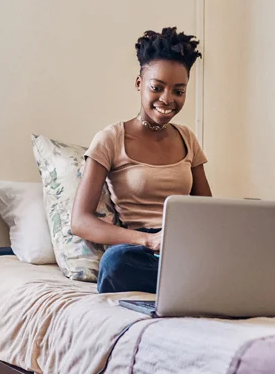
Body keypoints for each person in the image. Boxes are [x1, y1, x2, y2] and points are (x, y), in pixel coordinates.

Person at [71, 27, 209, 294]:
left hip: (184, 248)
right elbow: (80, 221)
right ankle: (198, 287)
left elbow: (208, 211)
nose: (167, 99)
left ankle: (197, 283)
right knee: (115, 263)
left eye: (178, 91)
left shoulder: (187, 138)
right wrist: (148, 241)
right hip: (139, 251)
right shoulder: (110, 138)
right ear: (139, 84)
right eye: (157, 88)